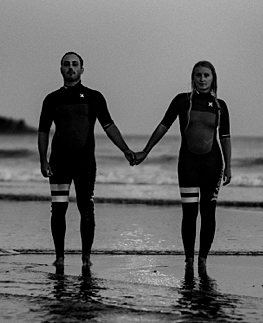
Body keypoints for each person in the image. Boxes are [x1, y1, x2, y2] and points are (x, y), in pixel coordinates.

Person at [38, 51, 134, 270]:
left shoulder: (94, 97)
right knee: (58, 208)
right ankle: (60, 257)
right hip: (59, 162)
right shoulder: (52, 99)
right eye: (66, 64)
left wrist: (125, 150)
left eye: (75, 64)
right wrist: (43, 160)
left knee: (86, 208)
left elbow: (109, 126)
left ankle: (86, 258)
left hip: (84, 163)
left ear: (82, 69)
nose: (70, 68)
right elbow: (43, 131)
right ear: (60, 69)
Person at [134, 60, 231, 275]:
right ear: (193, 78)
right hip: (188, 164)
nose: (202, 79)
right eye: (198, 75)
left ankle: (203, 260)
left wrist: (229, 166)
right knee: (189, 214)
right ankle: (188, 259)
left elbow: (225, 137)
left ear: (213, 78)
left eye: (206, 75)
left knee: (208, 214)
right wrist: (146, 150)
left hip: (213, 165)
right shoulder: (182, 101)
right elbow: (163, 126)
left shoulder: (220, 106)